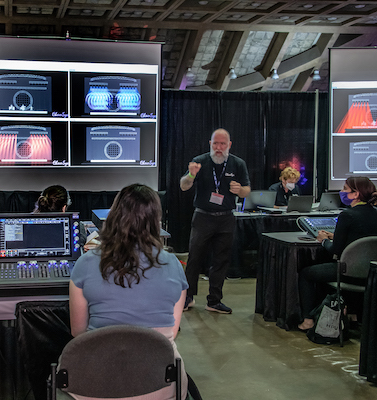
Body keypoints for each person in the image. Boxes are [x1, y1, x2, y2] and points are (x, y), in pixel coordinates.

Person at [69, 184, 191, 400]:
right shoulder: (173, 265)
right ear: (156, 221)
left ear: (114, 216)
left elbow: (78, 332)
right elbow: (171, 331)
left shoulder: (85, 263)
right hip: (159, 383)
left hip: (94, 386)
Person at [297, 176, 377, 331]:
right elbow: (361, 239)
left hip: (346, 271)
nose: (341, 192)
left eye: (345, 189)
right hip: (369, 272)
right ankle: (353, 314)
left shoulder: (347, 215)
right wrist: (335, 236)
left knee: (306, 274)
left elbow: (335, 251)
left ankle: (307, 320)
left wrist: (324, 240)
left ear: (356, 194)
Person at [180, 128, 250, 314]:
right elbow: (184, 186)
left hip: (226, 217)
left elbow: (247, 190)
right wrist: (192, 175)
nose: (219, 148)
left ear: (229, 145)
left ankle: (214, 300)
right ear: (210, 143)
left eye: (223, 144)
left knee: (221, 260)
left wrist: (240, 190)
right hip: (203, 216)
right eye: (216, 143)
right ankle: (188, 297)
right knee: (194, 258)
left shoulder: (238, 164)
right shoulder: (200, 161)